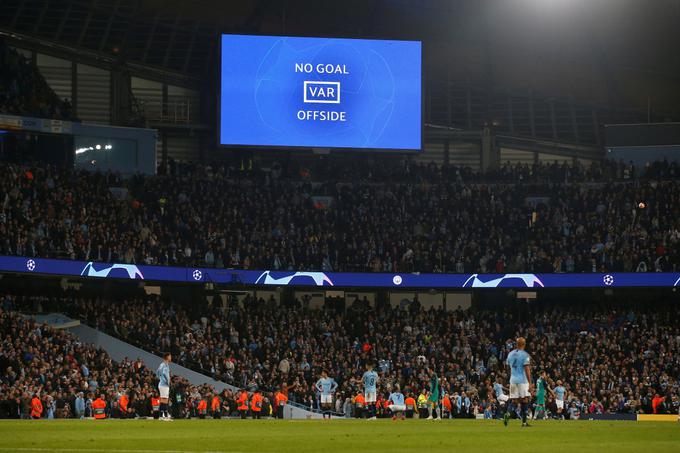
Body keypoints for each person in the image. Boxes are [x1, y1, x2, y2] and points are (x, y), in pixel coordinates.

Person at [505, 337, 532, 427]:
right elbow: (527, 369)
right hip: (522, 380)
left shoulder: (510, 354)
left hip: (513, 379)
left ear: (516, 344)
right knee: (525, 400)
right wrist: (530, 383)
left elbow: (507, 368)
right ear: (524, 344)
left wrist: (510, 378)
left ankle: (508, 413)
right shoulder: (525, 355)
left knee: (514, 400)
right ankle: (524, 422)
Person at [156, 353, 172, 420]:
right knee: (165, 400)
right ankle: (165, 415)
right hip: (164, 385)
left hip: (161, 384)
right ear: (167, 357)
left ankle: (161, 415)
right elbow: (165, 374)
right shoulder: (165, 365)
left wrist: (160, 378)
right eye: (170, 356)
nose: (171, 358)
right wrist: (168, 382)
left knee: (163, 399)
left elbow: (157, 372)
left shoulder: (161, 364)